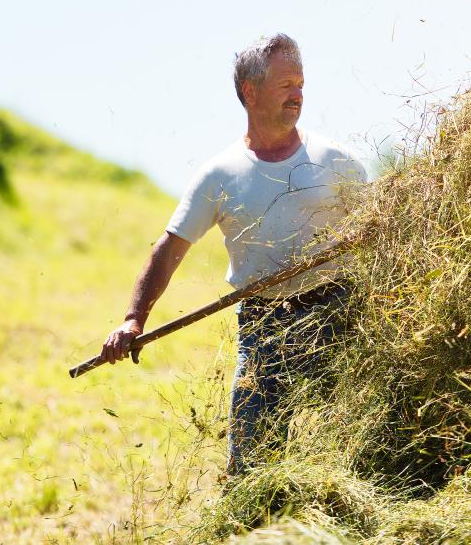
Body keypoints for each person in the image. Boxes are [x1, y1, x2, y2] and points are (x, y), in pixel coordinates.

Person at [99, 33, 367, 474]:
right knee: (249, 468)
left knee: (354, 453)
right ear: (250, 91)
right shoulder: (220, 175)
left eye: (300, 83)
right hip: (264, 328)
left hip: (339, 318)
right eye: (285, 85)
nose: (297, 94)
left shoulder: (335, 161)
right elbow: (169, 250)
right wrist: (134, 317)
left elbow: (383, 229)